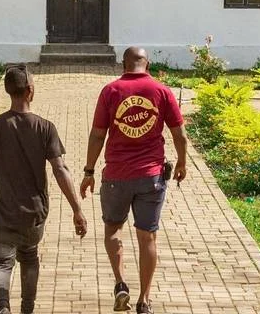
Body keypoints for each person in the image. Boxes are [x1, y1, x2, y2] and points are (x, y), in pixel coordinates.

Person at [0, 65, 88, 314]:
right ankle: (27, 309)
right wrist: (77, 209)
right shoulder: (45, 128)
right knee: (29, 258)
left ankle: (2, 308)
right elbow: (60, 169)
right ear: (30, 90)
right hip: (34, 212)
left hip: (3, 211)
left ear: (8, 91)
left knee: (1, 263)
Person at [79, 46, 188, 314]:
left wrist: (89, 171)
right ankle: (144, 300)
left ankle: (120, 283)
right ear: (147, 65)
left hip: (116, 176)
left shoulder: (111, 91)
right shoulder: (162, 91)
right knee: (147, 237)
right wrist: (182, 163)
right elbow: (180, 135)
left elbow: (97, 135)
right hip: (151, 177)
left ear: (123, 65)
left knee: (112, 229)